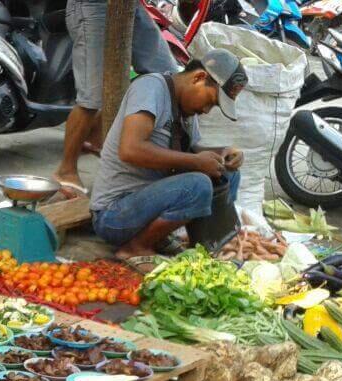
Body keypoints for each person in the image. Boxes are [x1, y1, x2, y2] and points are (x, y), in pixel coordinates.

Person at [89, 50, 247, 268]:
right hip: (115, 215)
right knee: (198, 185)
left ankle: (205, 243)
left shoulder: (187, 112)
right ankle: (133, 248)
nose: (207, 110)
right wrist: (196, 162)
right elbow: (130, 149)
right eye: (211, 102)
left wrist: (223, 153)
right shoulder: (151, 88)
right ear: (199, 78)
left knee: (228, 173)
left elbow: (191, 152)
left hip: (148, 205)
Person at [53, 0, 179, 197]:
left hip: (129, 6)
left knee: (167, 74)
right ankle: (66, 170)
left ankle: (94, 136)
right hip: (92, 6)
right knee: (92, 98)